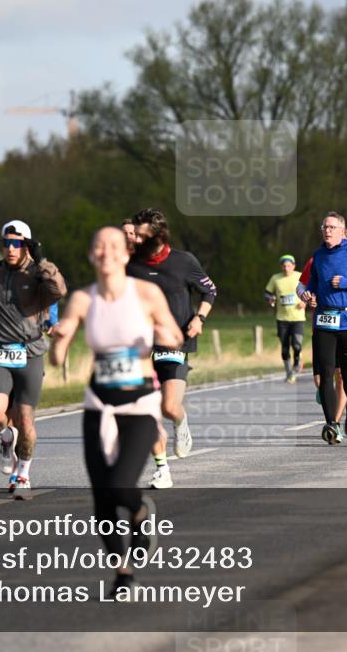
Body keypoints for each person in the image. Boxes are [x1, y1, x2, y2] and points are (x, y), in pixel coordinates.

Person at [50, 226, 183, 600]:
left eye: (113, 246)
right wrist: (60, 339)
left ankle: (139, 513)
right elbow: (57, 357)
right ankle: (123, 573)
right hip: (99, 405)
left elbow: (174, 336)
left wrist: (162, 334)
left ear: (126, 254)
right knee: (102, 497)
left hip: (140, 405)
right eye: (99, 246)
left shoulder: (146, 293)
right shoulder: (83, 299)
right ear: (92, 255)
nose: (106, 251)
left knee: (122, 485)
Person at [0, 220, 66, 495]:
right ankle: (7, 437)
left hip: (30, 353)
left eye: (17, 244)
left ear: (27, 246)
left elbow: (58, 290)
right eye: (6, 243)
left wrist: (41, 261)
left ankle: (22, 474)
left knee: (25, 419)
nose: (10, 248)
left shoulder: (39, 274)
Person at [127, 208, 217, 488]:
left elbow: (210, 291)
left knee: (168, 407)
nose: (135, 240)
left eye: (141, 236)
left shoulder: (184, 261)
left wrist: (199, 319)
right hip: (141, 346)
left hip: (175, 341)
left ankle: (181, 421)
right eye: (134, 235)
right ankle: (162, 469)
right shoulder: (130, 265)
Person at [299, 211, 347, 444]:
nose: (327, 230)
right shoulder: (318, 255)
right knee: (325, 375)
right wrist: (309, 295)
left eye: (332, 227)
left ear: (342, 231)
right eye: (324, 227)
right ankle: (332, 423)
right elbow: (312, 284)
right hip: (324, 320)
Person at [298, 255, 347, 415]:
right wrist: (307, 297)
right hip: (321, 326)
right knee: (320, 380)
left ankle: (335, 421)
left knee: (340, 376)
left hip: (345, 326)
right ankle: (338, 403)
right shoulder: (315, 260)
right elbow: (301, 287)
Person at [264, 254, 306, 383]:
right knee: (285, 348)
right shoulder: (275, 278)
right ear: (281, 266)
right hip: (282, 319)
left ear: (294, 266)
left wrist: (305, 302)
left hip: (298, 317)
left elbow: (310, 290)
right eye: (284, 266)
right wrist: (270, 298)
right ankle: (289, 373)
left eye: (288, 265)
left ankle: (297, 361)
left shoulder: (300, 276)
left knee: (297, 344)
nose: (286, 268)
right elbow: (267, 292)